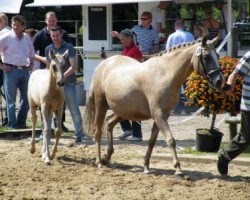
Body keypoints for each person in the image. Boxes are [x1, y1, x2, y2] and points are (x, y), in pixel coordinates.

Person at [45, 25, 85, 143]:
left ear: (61, 34)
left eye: (57, 35)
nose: (56, 38)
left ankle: (79, 134)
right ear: (50, 36)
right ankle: (50, 132)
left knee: (73, 108)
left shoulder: (69, 47)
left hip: (67, 84)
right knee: (50, 108)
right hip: (54, 86)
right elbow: (49, 67)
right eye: (53, 36)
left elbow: (74, 66)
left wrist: (62, 77)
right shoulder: (48, 49)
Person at [33, 11, 70, 132]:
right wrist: (42, 58)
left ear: (56, 21)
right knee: (44, 98)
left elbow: (69, 49)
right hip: (45, 70)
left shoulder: (63, 34)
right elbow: (32, 52)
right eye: (49, 20)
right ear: (46, 21)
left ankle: (59, 123)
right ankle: (45, 125)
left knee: (60, 97)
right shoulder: (39, 35)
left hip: (59, 69)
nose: (51, 22)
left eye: (53, 20)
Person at [217, 51, 250, 175]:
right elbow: (235, 73)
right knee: (245, 138)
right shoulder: (249, 56)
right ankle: (225, 157)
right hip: (249, 105)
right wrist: (229, 85)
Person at [0, 15, 35, 129]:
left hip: (24, 71)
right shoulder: (6, 37)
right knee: (11, 100)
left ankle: (21, 122)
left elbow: (32, 53)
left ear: (23, 26)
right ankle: (12, 124)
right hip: (11, 71)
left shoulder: (26, 38)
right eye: (13, 24)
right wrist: (2, 66)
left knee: (27, 98)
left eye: (18, 25)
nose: (15, 27)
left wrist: (31, 64)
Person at [112, 29, 143, 141]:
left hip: (134, 84)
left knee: (135, 109)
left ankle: (137, 134)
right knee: (119, 106)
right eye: (121, 40)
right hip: (124, 83)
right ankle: (127, 129)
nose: (122, 42)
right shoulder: (125, 49)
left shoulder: (136, 50)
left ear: (130, 39)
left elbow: (140, 66)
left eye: (124, 39)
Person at [166, 20, 195, 114]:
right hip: (187, 63)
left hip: (175, 64)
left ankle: (176, 106)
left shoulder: (171, 36)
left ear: (175, 26)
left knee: (176, 85)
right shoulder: (190, 35)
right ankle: (189, 105)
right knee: (187, 85)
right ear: (183, 26)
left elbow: (168, 51)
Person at [0, 13, 11, 125]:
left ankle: (8, 119)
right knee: (9, 95)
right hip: (9, 66)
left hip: (3, 66)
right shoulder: (11, 32)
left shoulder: (3, 34)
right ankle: (8, 118)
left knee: (8, 95)